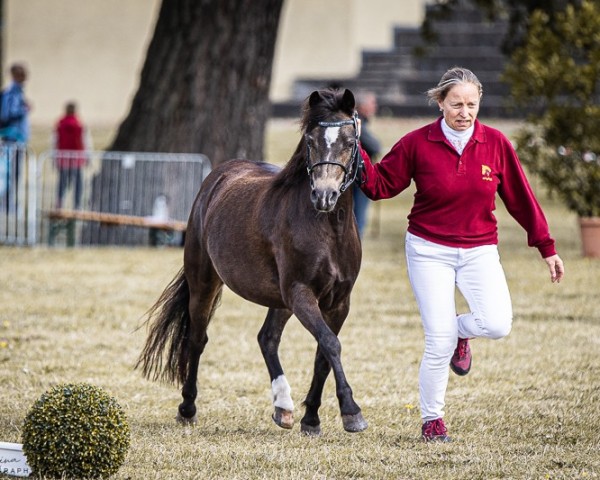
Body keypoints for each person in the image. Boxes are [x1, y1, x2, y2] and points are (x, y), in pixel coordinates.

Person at [358, 67, 565, 442]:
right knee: (437, 340)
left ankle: (459, 334)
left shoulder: (496, 143)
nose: (464, 112)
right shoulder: (417, 143)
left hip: (479, 250)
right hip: (428, 250)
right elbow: (380, 185)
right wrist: (353, 149)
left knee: (497, 324)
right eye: (456, 104)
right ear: (441, 103)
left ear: (479, 102)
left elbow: (521, 199)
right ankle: (432, 421)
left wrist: (546, 246)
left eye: (471, 104)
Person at [0, 63, 30, 206]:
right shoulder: (11, 93)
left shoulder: (17, 92)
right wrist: (24, 109)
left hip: (18, 138)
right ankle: (7, 203)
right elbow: (7, 114)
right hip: (12, 137)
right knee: (9, 173)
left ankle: (9, 202)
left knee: (14, 173)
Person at [353, 91, 381, 237]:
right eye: (372, 103)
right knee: (358, 217)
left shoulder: (361, 122)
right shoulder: (357, 123)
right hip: (359, 178)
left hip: (359, 175)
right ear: (362, 106)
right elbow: (375, 147)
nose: (375, 107)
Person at [53, 102, 88, 209]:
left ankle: (59, 203)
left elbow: (54, 141)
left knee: (62, 183)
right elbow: (85, 141)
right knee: (77, 184)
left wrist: (54, 158)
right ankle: (77, 205)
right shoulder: (79, 124)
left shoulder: (60, 124)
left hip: (63, 158)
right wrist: (87, 156)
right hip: (76, 159)